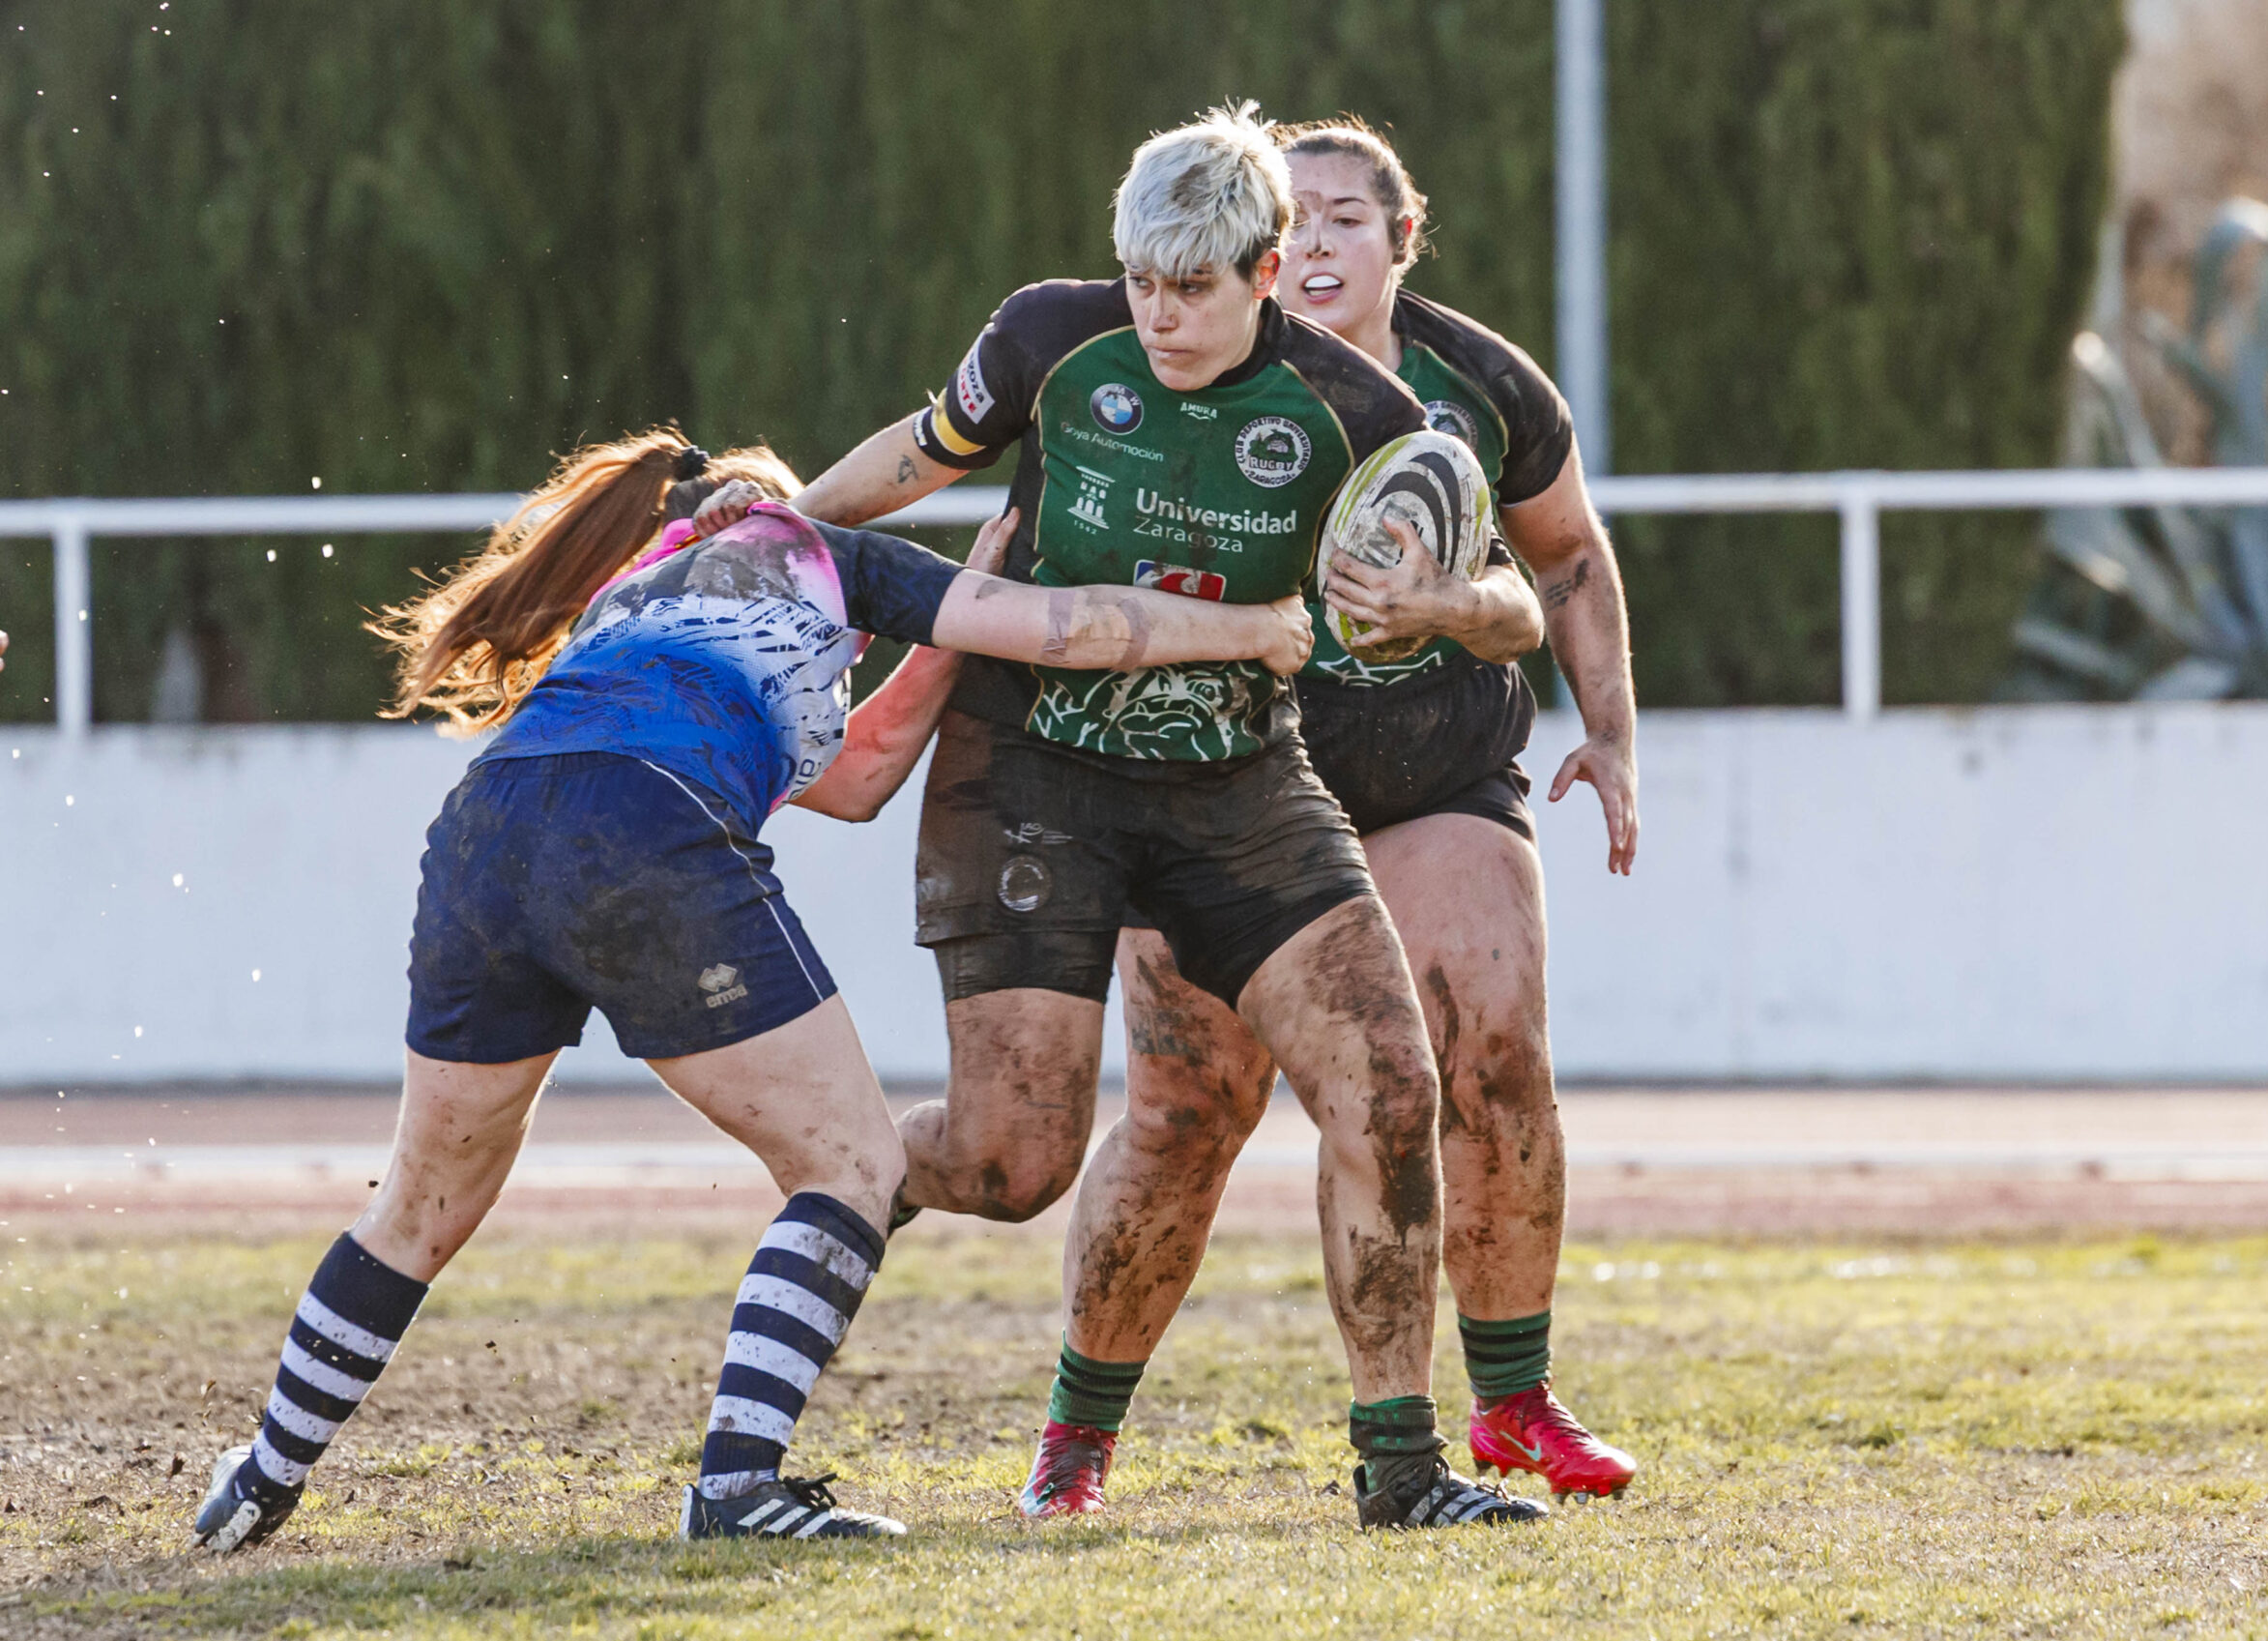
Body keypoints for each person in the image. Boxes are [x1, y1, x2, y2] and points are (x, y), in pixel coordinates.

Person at [187, 427, 1313, 1553]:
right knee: (854, 1165)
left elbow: (859, 775)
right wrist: (1253, 627)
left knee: (420, 1204)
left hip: (486, 830)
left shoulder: (630, 593)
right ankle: (735, 1489)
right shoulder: (832, 555)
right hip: (642, 828)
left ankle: (262, 1480)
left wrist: (939, 647)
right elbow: (1075, 630)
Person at [696, 104, 1546, 1529]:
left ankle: (1402, 1470)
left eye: (1194, 287)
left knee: (1393, 1091)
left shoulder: (1357, 410)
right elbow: (917, 457)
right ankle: (853, 1170)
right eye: (1142, 279)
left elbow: (1517, 600)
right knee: (1013, 1161)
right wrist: (763, 538)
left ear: (1267, 271)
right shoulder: (1049, 336)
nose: (1158, 313)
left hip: (1242, 784)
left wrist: (1447, 601)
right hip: (1031, 773)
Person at [1039, 118, 1643, 1513]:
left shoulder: (1480, 385)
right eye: (1291, 221)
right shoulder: (1163, 366)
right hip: (1220, 779)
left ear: (1400, 238)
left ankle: (1511, 1401)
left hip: (1436, 774)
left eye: (1345, 220)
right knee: (1191, 1109)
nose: (1313, 244)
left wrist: (1609, 731)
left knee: (1493, 1057)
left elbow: (1562, 559)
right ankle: (1078, 1432)